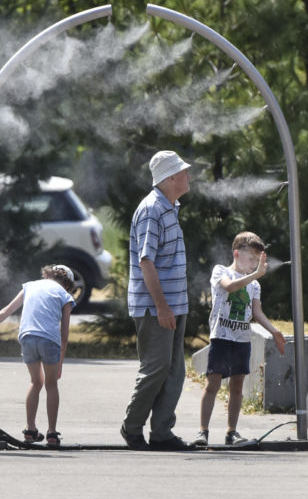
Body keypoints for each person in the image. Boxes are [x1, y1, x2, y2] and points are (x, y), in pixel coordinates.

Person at [121, 150, 193, 451]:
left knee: (174, 370)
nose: (188, 176)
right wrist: (162, 306)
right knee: (156, 368)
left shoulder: (169, 207)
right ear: (170, 177)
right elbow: (146, 262)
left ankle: (162, 432)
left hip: (174, 304)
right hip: (156, 307)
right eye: (183, 172)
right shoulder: (152, 209)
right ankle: (132, 426)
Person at [193, 231, 286, 447]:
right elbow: (229, 287)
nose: (254, 263)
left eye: (257, 260)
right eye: (251, 258)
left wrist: (274, 331)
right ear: (237, 253)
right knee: (212, 384)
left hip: (242, 340)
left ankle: (231, 432)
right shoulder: (221, 271)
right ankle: (202, 431)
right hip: (221, 337)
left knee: (237, 387)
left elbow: (256, 312)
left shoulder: (255, 285)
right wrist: (255, 274)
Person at [0, 265, 76, 447]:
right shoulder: (65, 295)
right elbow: (64, 333)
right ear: (67, 284)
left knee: (35, 381)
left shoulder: (30, 286)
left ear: (47, 275)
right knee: (51, 384)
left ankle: (30, 430)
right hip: (49, 340)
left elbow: (5, 311)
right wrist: (60, 362)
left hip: (27, 337)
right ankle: (52, 434)